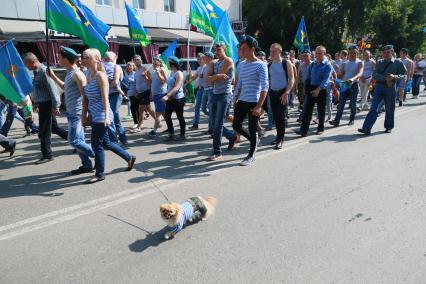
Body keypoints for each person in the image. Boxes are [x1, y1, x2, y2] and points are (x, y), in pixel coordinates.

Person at [81, 48, 136, 184]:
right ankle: (129, 157)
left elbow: (105, 99)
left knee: (96, 144)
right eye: (83, 57)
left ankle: (100, 174)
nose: (84, 60)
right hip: (94, 115)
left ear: (96, 59)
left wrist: (106, 117)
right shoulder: (88, 74)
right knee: (106, 142)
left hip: (102, 115)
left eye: (87, 57)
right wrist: (85, 114)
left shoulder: (101, 75)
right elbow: (86, 98)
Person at [48, 46, 95, 175]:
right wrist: (52, 75)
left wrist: (84, 114)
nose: (58, 59)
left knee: (73, 141)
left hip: (77, 113)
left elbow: (85, 96)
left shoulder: (78, 74)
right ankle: (86, 165)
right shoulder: (69, 73)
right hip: (71, 113)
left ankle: (96, 154)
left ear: (66, 59)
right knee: (79, 141)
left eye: (60, 57)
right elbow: (64, 86)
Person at [23, 52, 68, 164]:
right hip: (42, 104)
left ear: (32, 61)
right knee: (54, 128)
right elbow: (40, 90)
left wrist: (56, 105)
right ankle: (76, 141)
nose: (26, 67)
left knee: (44, 131)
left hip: (48, 105)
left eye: (26, 64)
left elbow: (53, 89)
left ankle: (47, 155)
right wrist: (36, 103)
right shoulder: (36, 72)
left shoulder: (43, 71)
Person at [233, 35, 269, 166]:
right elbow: (239, 84)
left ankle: (251, 155)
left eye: (244, 49)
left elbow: (265, 86)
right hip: (242, 100)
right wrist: (235, 98)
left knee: (252, 127)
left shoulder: (261, 65)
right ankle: (254, 139)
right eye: (241, 49)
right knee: (236, 125)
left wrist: (259, 106)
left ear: (252, 49)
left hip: (254, 101)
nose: (241, 52)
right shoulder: (241, 65)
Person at [358, 45, 407, 135]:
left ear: (392, 52)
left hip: (390, 88)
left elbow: (404, 75)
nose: (386, 54)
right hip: (379, 87)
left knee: (390, 108)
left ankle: (389, 127)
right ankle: (366, 128)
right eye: (384, 52)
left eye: (388, 52)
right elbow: (375, 74)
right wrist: (385, 78)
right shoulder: (379, 62)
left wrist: (394, 77)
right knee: (374, 107)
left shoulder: (398, 62)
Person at [206, 42, 237, 161]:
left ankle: (217, 152)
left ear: (224, 49)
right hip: (214, 94)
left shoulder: (228, 60)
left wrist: (214, 77)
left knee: (218, 125)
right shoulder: (214, 62)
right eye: (215, 50)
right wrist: (216, 76)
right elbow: (207, 79)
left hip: (224, 95)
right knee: (214, 124)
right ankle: (232, 136)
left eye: (219, 50)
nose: (216, 52)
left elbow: (215, 78)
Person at [298, 45, 333, 137]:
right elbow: (308, 77)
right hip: (311, 88)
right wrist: (305, 88)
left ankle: (320, 128)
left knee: (321, 110)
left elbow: (326, 80)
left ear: (324, 54)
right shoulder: (312, 64)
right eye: (316, 53)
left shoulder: (327, 65)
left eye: (319, 53)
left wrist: (318, 89)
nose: (316, 55)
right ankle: (303, 130)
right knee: (307, 111)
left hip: (321, 90)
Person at [267, 43, 295, 150]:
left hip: (283, 92)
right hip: (273, 93)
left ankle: (280, 139)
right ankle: (278, 137)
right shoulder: (269, 65)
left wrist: (287, 92)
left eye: (273, 51)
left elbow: (291, 79)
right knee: (275, 117)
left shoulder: (286, 62)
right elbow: (268, 80)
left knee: (281, 117)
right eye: (270, 51)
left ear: (279, 51)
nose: (271, 53)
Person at [330, 45, 364, 127]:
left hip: (354, 85)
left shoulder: (359, 62)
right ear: (348, 54)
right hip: (345, 84)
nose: (352, 54)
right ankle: (336, 121)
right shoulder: (345, 63)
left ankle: (351, 119)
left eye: (354, 53)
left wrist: (353, 79)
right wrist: (334, 76)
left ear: (357, 53)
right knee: (341, 103)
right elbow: (341, 75)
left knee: (353, 104)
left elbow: (360, 73)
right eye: (351, 53)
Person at [102, 52, 127, 144]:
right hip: (110, 94)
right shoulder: (103, 66)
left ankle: (121, 138)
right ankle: (115, 139)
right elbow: (115, 82)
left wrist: (104, 86)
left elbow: (115, 82)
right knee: (112, 116)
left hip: (115, 94)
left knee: (113, 116)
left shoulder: (116, 67)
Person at [162, 56, 186, 141]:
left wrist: (167, 96)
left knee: (180, 116)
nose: (167, 64)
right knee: (167, 116)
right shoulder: (172, 72)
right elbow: (168, 84)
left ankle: (182, 135)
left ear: (172, 63)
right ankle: (171, 134)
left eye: (169, 62)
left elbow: (176, 87)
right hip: (170, 98)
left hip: (178, 99)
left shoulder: (179, 73)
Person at [133, 55, 156, 132]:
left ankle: (139, 127)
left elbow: (150, 81)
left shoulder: (145, 69)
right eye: (135, 60)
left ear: (141, 60)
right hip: (140, 92)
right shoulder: (136, 70)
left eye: (137, 59)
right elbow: (137, 82)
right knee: (148, 109)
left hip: (145, 91)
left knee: (141, 110)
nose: (136, 61)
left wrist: (145, 76)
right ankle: (157, 121)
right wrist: (136, 91)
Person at [150, 56, 168, 136]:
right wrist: (152, 93)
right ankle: (170, 128)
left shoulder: (162, 70)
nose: (154, 63)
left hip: (161, 95)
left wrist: (158, 73)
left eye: (156, 61)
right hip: (156, 95)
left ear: (160, 63)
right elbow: (153, 83)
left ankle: (154, 131)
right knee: (164, 113)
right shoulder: (153, 71)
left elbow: (164, 81)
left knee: (158, 114)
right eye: (153, 61)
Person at [189, 53, 207, 130]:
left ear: (204, 59)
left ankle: (212, 123)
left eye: (200, 59)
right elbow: (193, 78)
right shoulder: (199, 68)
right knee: (197, 107)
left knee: (205, 109)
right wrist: (190, 72)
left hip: (206, 89)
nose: (199, 60)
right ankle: (196, 124)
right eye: (198, 59)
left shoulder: (207, 67)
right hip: (200, 89)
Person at [296, 50, 313, 122]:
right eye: (303, 56)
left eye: (306, 56)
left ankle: (302, 117)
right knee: (305, 102)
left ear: (310, 56)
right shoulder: (301, 65)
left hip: (312, 85)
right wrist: (296, 87)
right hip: (303, 85)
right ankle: (305, 117)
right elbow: (298, 77)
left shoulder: (313, 64)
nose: (305, 57)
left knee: (308, 102)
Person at [123, 61, 139, 128]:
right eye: (128, 65)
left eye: (130, 65)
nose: (129, 66)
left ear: (133, 66)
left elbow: (137, 83)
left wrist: (136, 92)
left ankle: (138, 122)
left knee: (136, 108)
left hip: (136, 93)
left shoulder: (135, 74)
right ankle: (136, 122)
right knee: (133, 108)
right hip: (130, 93)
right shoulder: (127, 74)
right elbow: (126, 85)